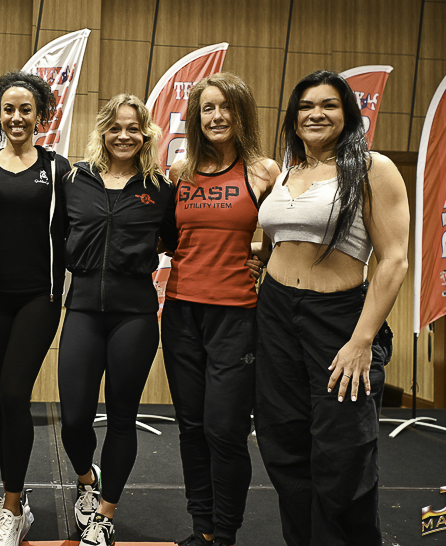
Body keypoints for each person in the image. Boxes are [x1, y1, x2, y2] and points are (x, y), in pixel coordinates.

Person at [253, 70, 408, 546]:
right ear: (293, 117)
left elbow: (394, 259)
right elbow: (282, 239)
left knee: (344, 452)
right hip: (275, 313)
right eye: (305, 106)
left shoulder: (372, 168)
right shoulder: (288, 171)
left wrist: (362, 340)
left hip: (338, 319)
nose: (315, 114)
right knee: (283, 444)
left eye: (328, 105)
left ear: (347, 114)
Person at [162, 73, 280, 546]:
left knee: (225, 430)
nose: (216, 116)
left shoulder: (264, 172)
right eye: (207, 108)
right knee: (191, 428)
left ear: (241, 112)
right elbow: (170, 237)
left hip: (236, 315)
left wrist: (262, 257)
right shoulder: (180, 171)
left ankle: (225, 534)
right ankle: (203, 530)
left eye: (225, 106)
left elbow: (285, 232)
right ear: (196, 117)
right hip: (181, 312)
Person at [58, 94, 176, 546]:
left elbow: (179, 240)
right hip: (83, 309)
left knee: (122, 418)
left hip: (136, 315)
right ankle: (87, 480)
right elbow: (55, 235)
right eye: (115, 128)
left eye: (133, 129)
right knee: (74, 419)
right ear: (103, 131)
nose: (124, 136)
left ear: (145, 134)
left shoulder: (159, 187)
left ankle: (105, 514)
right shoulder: (75, 179)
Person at [0, 71, 71, 546]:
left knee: (12, 394)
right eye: (8, 109)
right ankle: (15, 500)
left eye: (26, 109)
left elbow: (79, 226)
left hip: (38, 299)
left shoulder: (58, 168)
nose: (17, 117)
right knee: (3, 405)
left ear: (40, 114)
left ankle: (12, 508)